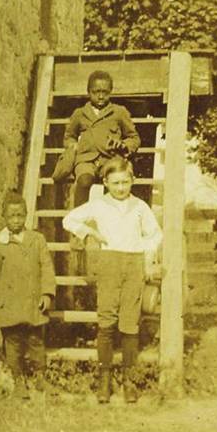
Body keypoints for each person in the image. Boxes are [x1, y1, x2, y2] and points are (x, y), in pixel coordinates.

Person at [62, 157, 162, 404]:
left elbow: (154, 234)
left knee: (130, 324)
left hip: (134, 264)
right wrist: (91, 232)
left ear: (132, 181)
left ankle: (129, 379)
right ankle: (104, 380)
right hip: (108, 263)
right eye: (115, 183)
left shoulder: (139, 206)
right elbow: (69, 220)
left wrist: (149, 258)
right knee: (106, 322)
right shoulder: (98, 205)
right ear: (105, 182)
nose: (120, 188)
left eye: (125, 182)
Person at [0, 192, 57, 399]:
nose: (16, 220)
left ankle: (40, 378)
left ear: (27, 215)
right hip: (9, 303)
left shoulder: (37, 240)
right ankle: (18, 381)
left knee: (37, 340)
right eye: (12, 216)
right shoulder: (0, 243)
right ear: (4, 217)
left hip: (32, 301)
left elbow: (46, 267)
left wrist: (47, 293)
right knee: (14, 343)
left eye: (20, 216)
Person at [60, 70, 140, 211]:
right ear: (88, 92)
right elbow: (69, 136)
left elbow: (133, 137)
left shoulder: (119, 112)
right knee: (84, 181)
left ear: (110, 92)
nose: (101, 96)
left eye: (105, 92)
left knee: (114, 183)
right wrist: (72, 144)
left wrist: (123, 145)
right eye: (96, 92)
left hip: (110, 158)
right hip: (86, 159)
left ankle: (112, 218)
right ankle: (80, 219)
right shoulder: (80, 113)